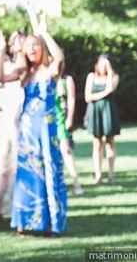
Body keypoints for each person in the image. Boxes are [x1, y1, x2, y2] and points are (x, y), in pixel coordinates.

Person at [8, 8, 68, 236]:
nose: (32, 50)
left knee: (50, 171)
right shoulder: (25, 73)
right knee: (28, 173)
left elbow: (59, 56)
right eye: (28, 46)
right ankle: (26, 221)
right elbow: (2, 76)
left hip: (47, 128)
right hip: (28, 128)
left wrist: (44, 33)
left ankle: (53, 222)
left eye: (36, 46)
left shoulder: (51, 70)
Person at [0, 30, 26, 224]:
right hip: (5, 123)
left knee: (19, 168)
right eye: (15, 40)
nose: (19, 43)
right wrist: (0, 50)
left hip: (23, 124)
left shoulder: (28, 68)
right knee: (1, 167)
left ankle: (17, 209)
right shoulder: (5, 66)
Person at [84, 55, 121, 184]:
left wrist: (110, 72)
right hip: (95, 112)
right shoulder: (91, 77)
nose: (103, 67)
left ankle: (111, 174)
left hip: (108, 111)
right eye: (101, 64)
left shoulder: (114, 77)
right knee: (97, 143)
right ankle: (98, 174)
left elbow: (111, 88)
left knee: (110, 143)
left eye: (106, 64)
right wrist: (103, 94)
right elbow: (87, 97)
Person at [56, 61, 84, 195]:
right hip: (49, 118)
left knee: (66, 150)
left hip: (61, 118)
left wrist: (70, 118)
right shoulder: (46, 78)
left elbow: (71, 99)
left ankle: (76, 182)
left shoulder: (67, 80)